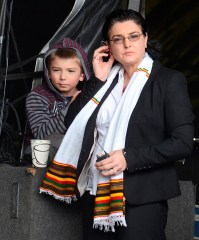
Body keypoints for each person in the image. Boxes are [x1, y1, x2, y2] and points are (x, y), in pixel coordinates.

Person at [40, 9, 194, 240]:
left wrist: (128, 158)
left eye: (133, 36)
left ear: (145, 39)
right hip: (96, 191)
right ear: (108, 46)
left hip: (142, 197)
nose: (127, 44)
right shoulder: (106, 79)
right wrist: (96, 80)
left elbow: (182, 143)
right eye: (117, 39)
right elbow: (72, 122)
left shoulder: (168, 81)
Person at [25, 38, 90, 161]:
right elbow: (41, 136)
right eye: (56, 70)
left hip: (81, 158)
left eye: (70, 71)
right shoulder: (37, 96)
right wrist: (71, 108)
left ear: (82, 75)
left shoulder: (90, 98)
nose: (63, 77)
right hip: (48, 158)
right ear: (48, 73)